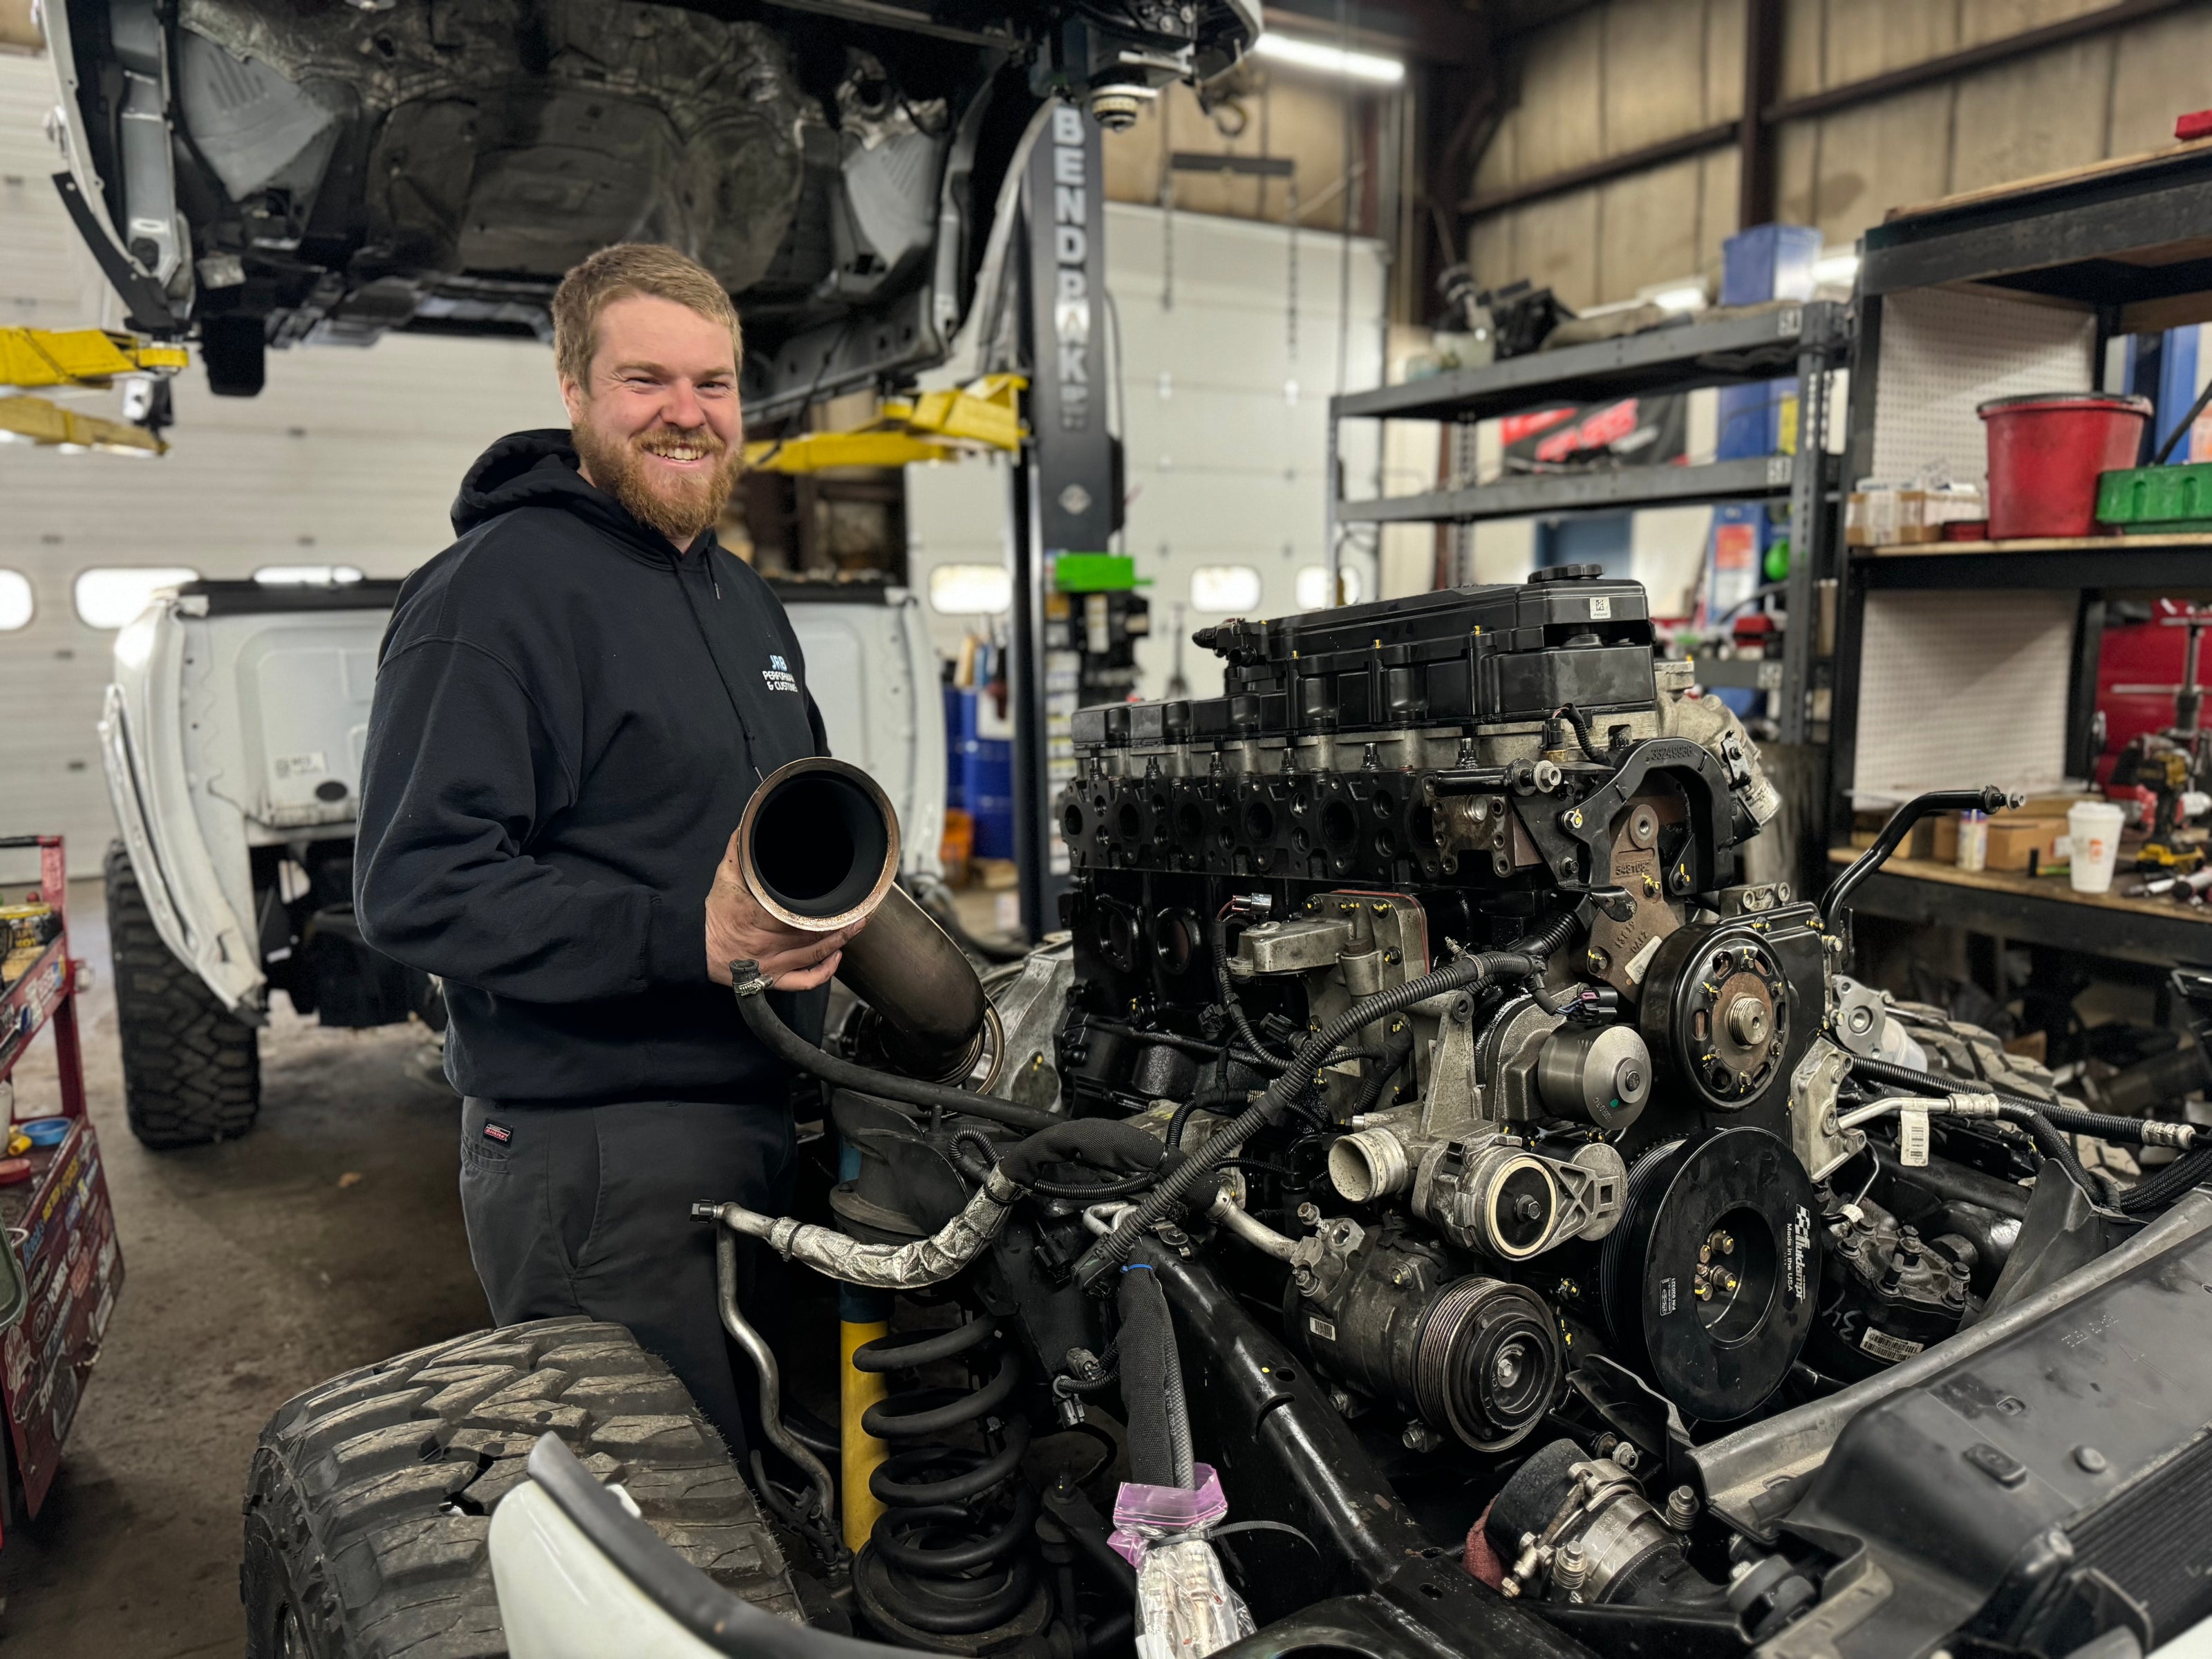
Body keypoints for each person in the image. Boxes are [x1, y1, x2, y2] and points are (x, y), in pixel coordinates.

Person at [356, 242, 858, 1459]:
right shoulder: (491, 594)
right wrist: (686, 934)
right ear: (574, 393)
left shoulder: (742, 598)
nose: (688, 414)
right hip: (599, 1154)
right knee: (662, 1518)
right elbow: (415, 883)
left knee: (788, 1482)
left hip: (767, 1117)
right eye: (646, 381)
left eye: (717, 385)